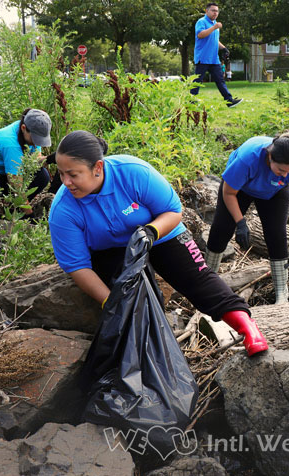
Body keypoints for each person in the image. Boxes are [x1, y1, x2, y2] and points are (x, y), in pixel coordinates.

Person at [48, 130, 267, 356]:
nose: (66, 182)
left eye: (73, 174)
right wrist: (109, 302)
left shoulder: (133, 173)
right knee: (130, 303)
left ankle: (249, 329)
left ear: (98, 168)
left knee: (198, 279)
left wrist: (151, 232)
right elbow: (78, 266)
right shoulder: (63, 210)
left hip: (160, 232)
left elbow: (173, 211)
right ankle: (156, 351)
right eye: (61, 173)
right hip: (109, 251)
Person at [205, 131, 289, 304]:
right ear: (270, 157)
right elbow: (229, 192)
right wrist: (240, 223)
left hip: (274, 191)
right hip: (239, 190)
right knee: (221, 230)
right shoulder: (249, 158)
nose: (285, 175)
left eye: (288, 172)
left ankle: (281, 293)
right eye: (281, 170)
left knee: (276, 236)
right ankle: (208, 280)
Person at [0, 108, 52, 215]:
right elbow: (16, 184)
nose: (36, 143)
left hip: (7, 172)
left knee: (43, 176)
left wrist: (51, 158)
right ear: (23, 128)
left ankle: (13, 207)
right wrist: (29, 214)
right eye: (35, 139)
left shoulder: (28, 129)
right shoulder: (11, 144)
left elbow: (35, 160)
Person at [191, 3, 242, 108]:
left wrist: (224, 48)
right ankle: (190, 102)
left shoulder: (215, 25)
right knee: (197, 82)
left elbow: (214, 40)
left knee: (220, 81)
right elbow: (200, 35)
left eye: (217, 11)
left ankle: (229, 101)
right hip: (203, 58)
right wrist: (214, 27)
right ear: (207, 11)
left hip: (214, 59)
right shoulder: (202, 22)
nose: (215, 13)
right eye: (213, 10)